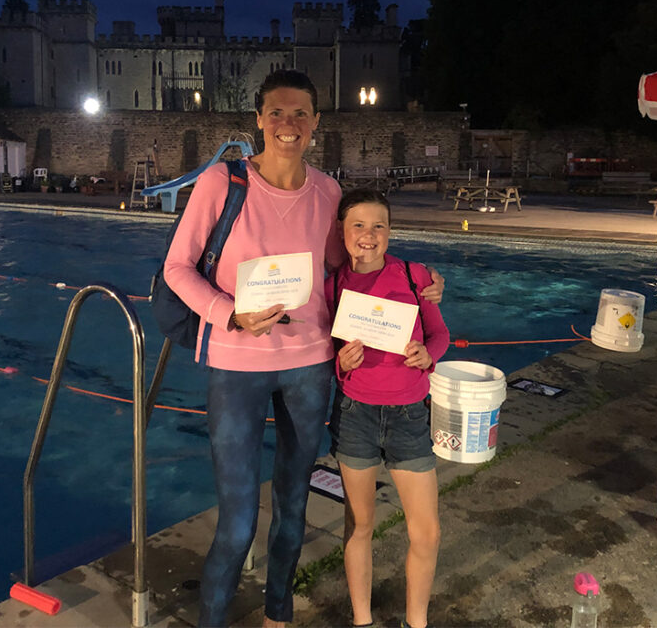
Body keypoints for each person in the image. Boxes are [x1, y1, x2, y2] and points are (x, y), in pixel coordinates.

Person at [163, 70, 443, 627]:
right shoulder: (223, 183)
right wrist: (229, 314)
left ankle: (278, 617)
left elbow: (355, 268)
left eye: (299, 114)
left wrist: (421, 284)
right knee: (238, 521)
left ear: (315, 123)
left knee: (293, 506)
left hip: (309, 367)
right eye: (276, 113)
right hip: (236, 364)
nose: (287, 124)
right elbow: (177, 268)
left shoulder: (329, 193)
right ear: (259, 121)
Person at [326, 188, 449, 628]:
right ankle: (363, 620)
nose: (368, 234)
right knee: (360, 526)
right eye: (358, 224)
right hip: (356, 413)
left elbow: (439, 334)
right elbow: (327, 351)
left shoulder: (415, 277)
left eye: (378, 225)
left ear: (390, 232)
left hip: (409, 415)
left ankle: (417, 621)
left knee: (427, 532)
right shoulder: (334, 284)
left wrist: (428, 355)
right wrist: (341, 363)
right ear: (342, 232)